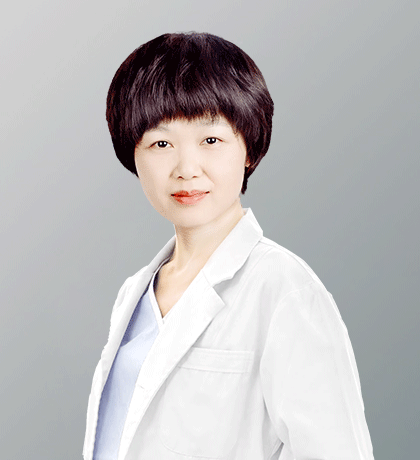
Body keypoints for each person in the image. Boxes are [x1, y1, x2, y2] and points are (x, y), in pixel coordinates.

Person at [83, 32, 374, 460]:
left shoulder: (285, 291)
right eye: (161, 143)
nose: (187, 169)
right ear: (133, 154)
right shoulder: (134, 293)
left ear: (249, 148)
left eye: (211, 140)